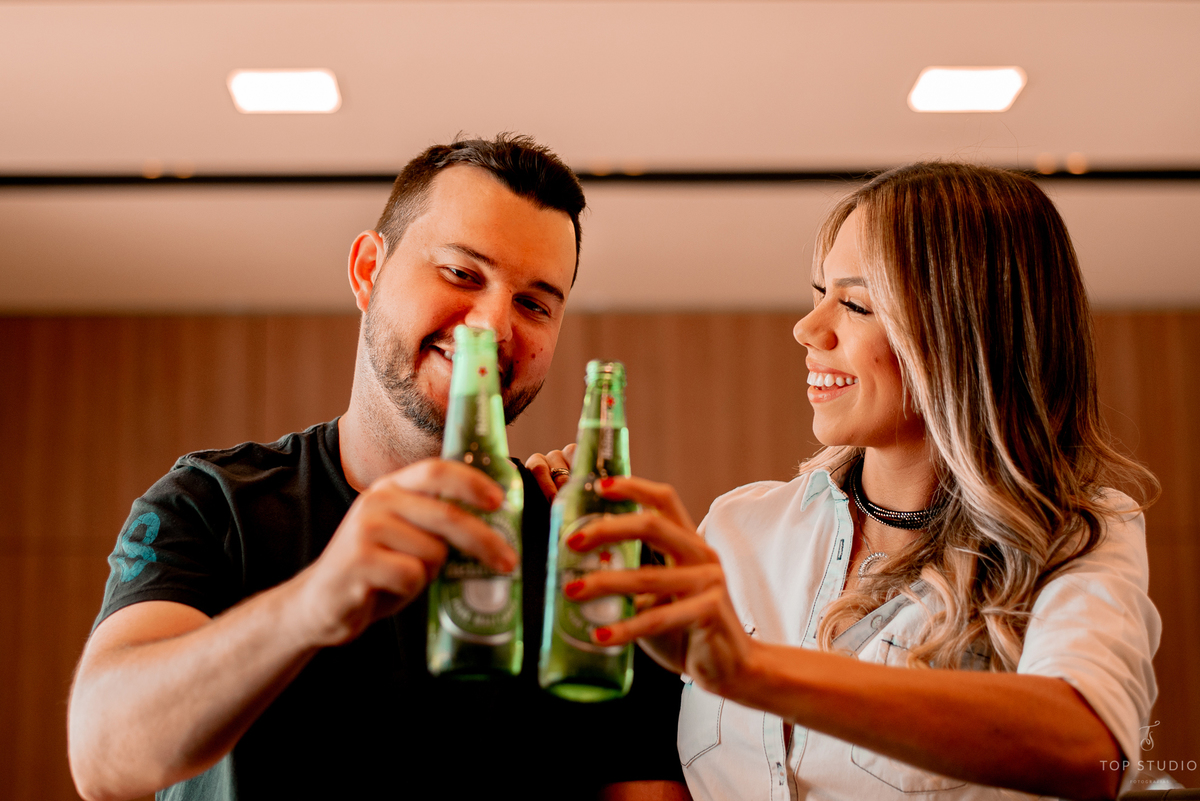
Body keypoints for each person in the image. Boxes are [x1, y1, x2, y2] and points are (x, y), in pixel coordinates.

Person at [67, 135, 688, 801]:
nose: (493, 326)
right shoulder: (213, 504)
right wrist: (312, 604)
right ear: (368, 270)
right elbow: (105, 756)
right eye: (461, 273)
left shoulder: (594, 553)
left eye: (534, 303)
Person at [531, 162, 1161, 800]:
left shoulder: (1077, 537)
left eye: (856, 304)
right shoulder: (739, 527)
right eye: (819, 293)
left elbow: (1089, 750)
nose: (807, 328)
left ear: (968, 334)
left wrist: (750, 668)